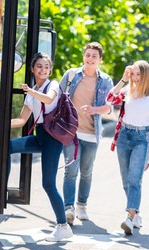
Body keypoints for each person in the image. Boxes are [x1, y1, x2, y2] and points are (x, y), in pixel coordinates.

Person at [0, 52, 73, 242]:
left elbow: (49, 100)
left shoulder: (53, 85)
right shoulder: (32, 91)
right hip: (40, 135)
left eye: (46, 67)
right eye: (39, 66)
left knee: (48, 184)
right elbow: (22, 120)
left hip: (53, 139)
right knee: (6, 147)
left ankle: (63, 226)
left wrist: (31, 92)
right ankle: (2, 189)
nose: (43, 70)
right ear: (32, 69)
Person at [106, 60, 149, 235]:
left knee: (134, 179)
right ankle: (136, 213)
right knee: (125, 180)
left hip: (142, 139)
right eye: (133, 74)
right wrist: (123, 79)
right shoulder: (126, 91)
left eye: (139, 74)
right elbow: (109, 99)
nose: (136, 78)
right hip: (124, 136)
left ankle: (129, 219)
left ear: (146, 76)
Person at [59, 42, 114, 225]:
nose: (90, 59)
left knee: (87, 172)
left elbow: (109, 109)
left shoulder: (105, 80)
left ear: (100, 60)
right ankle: (68, 208)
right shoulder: (72, 75)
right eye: (88, 55)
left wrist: (94, 109)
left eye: (94, 56)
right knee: (70, 171)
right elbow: (58, 98)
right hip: (71, 132)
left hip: (92, 133)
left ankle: (82, 205)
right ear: (83, 56)